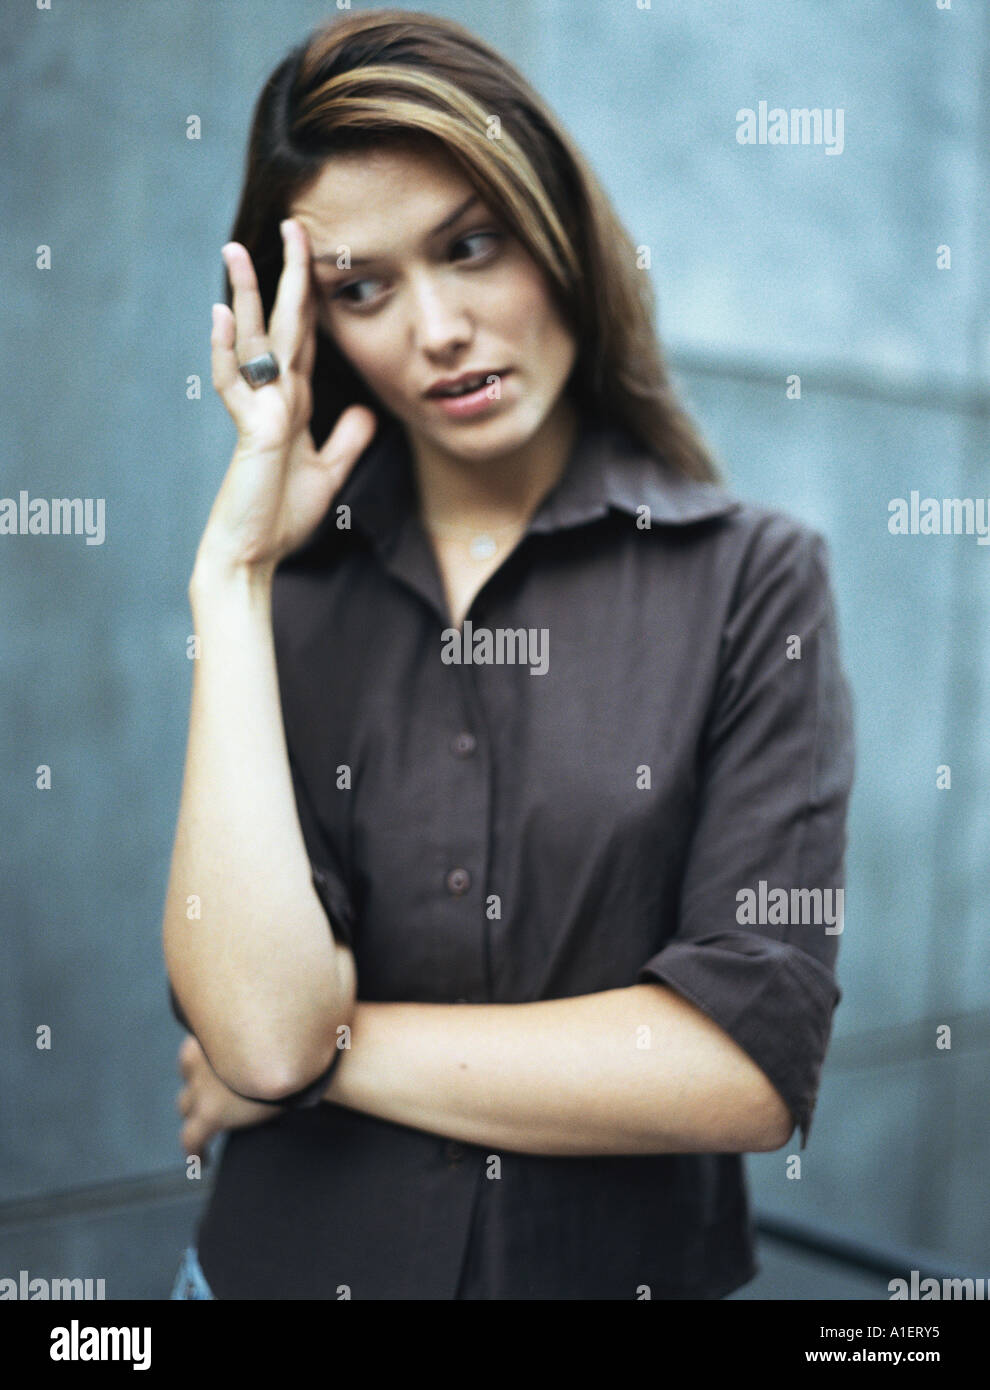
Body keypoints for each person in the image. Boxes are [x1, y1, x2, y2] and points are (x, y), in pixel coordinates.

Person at [162, 9, 855, 1300]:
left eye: (469, 245)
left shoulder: (751, 579)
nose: (436, 328)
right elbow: (254, 1022)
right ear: (312, 327)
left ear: (555, 228)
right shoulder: (292, 600)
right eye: (363, 286)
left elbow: (741, 1069)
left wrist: (326, 1051)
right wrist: (233, 575)